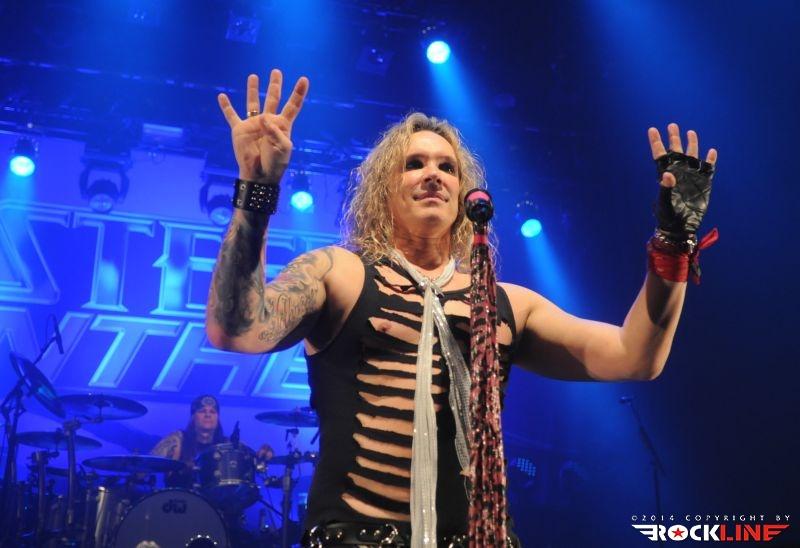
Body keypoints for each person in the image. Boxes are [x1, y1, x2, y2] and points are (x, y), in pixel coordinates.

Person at [206, 69, 718, 547]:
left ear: (463, 191)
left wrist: (674, 244)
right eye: (414, 164)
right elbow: (237, 329)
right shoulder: (338, 272)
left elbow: (636, 356)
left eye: (447, 167)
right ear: (384, 191)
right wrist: (257, 190)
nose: (433, 175)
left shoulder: (508, 303)